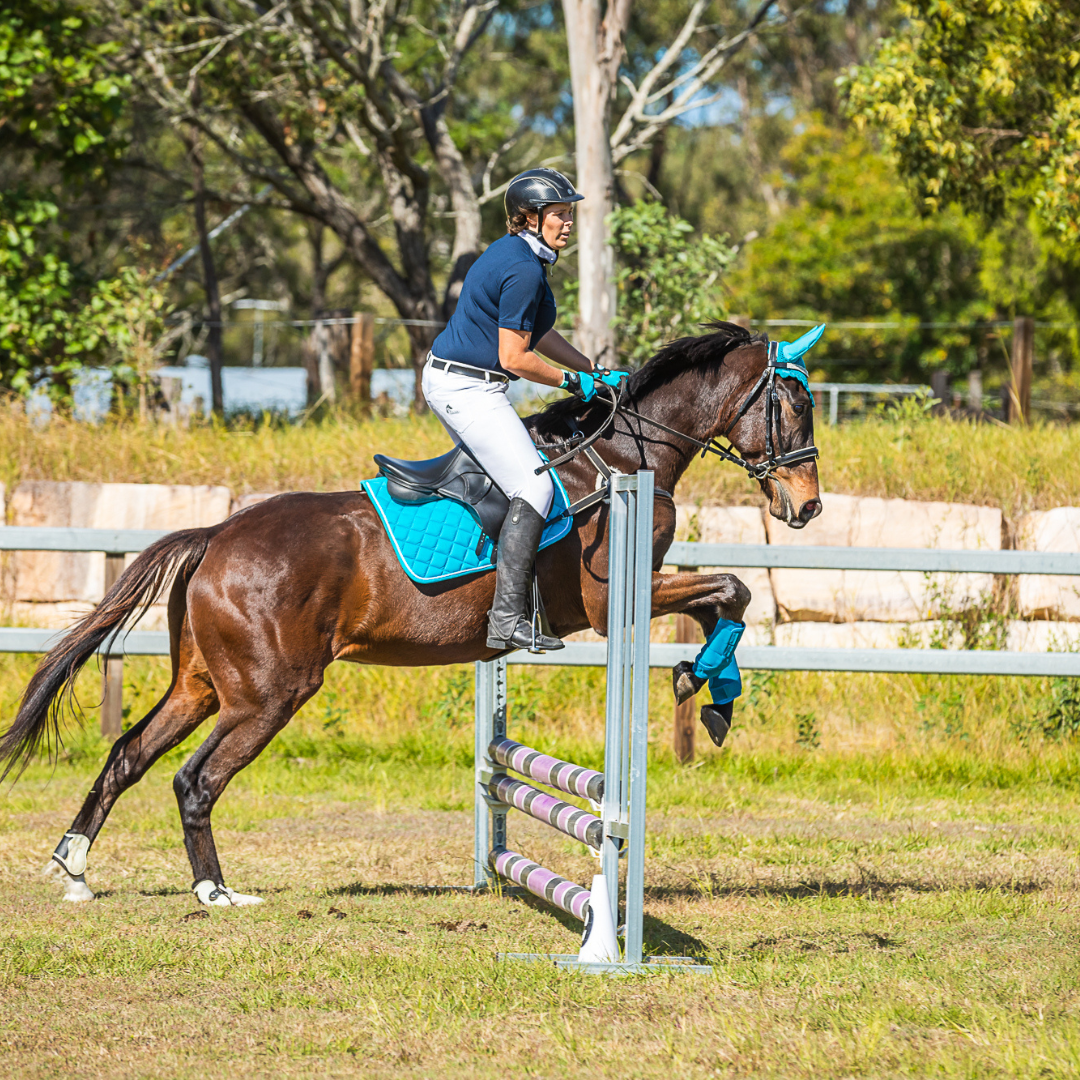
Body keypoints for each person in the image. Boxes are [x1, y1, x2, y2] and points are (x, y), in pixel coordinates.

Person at [424, 168, 627, 652]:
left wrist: (592, 369)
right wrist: (574, 382)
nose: (568, 222)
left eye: (570, 213)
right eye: (559, 213)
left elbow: (539, 335)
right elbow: (515, 358)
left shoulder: (523, 256)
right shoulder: (522, 268)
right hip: (464, 388)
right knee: (533, 486)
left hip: (475, 384)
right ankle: (506, 617)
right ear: (529, 218)